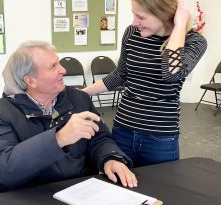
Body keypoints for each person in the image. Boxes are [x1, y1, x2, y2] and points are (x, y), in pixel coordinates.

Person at [0, 40, 137, 192]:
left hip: (82, 191)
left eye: (59, 63)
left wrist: (110, 158)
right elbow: (0, 169)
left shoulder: (79, 98)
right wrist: (58, 139)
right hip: (35, 195)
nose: (63, 70)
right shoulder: (0, 114)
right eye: (53, 66)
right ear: (31, 81)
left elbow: (99, 138)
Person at [82, 0, 207, 167]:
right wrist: (82, 93)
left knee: (159, 190)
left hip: (160, 138)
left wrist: (179, 26)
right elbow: (121, 74)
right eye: (134, 14)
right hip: (123, 130)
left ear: (163, 15)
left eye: (140, 16)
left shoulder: (194, 41)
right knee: (118, 187)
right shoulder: (132, 32)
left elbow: (171, 74)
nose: (134, 22)